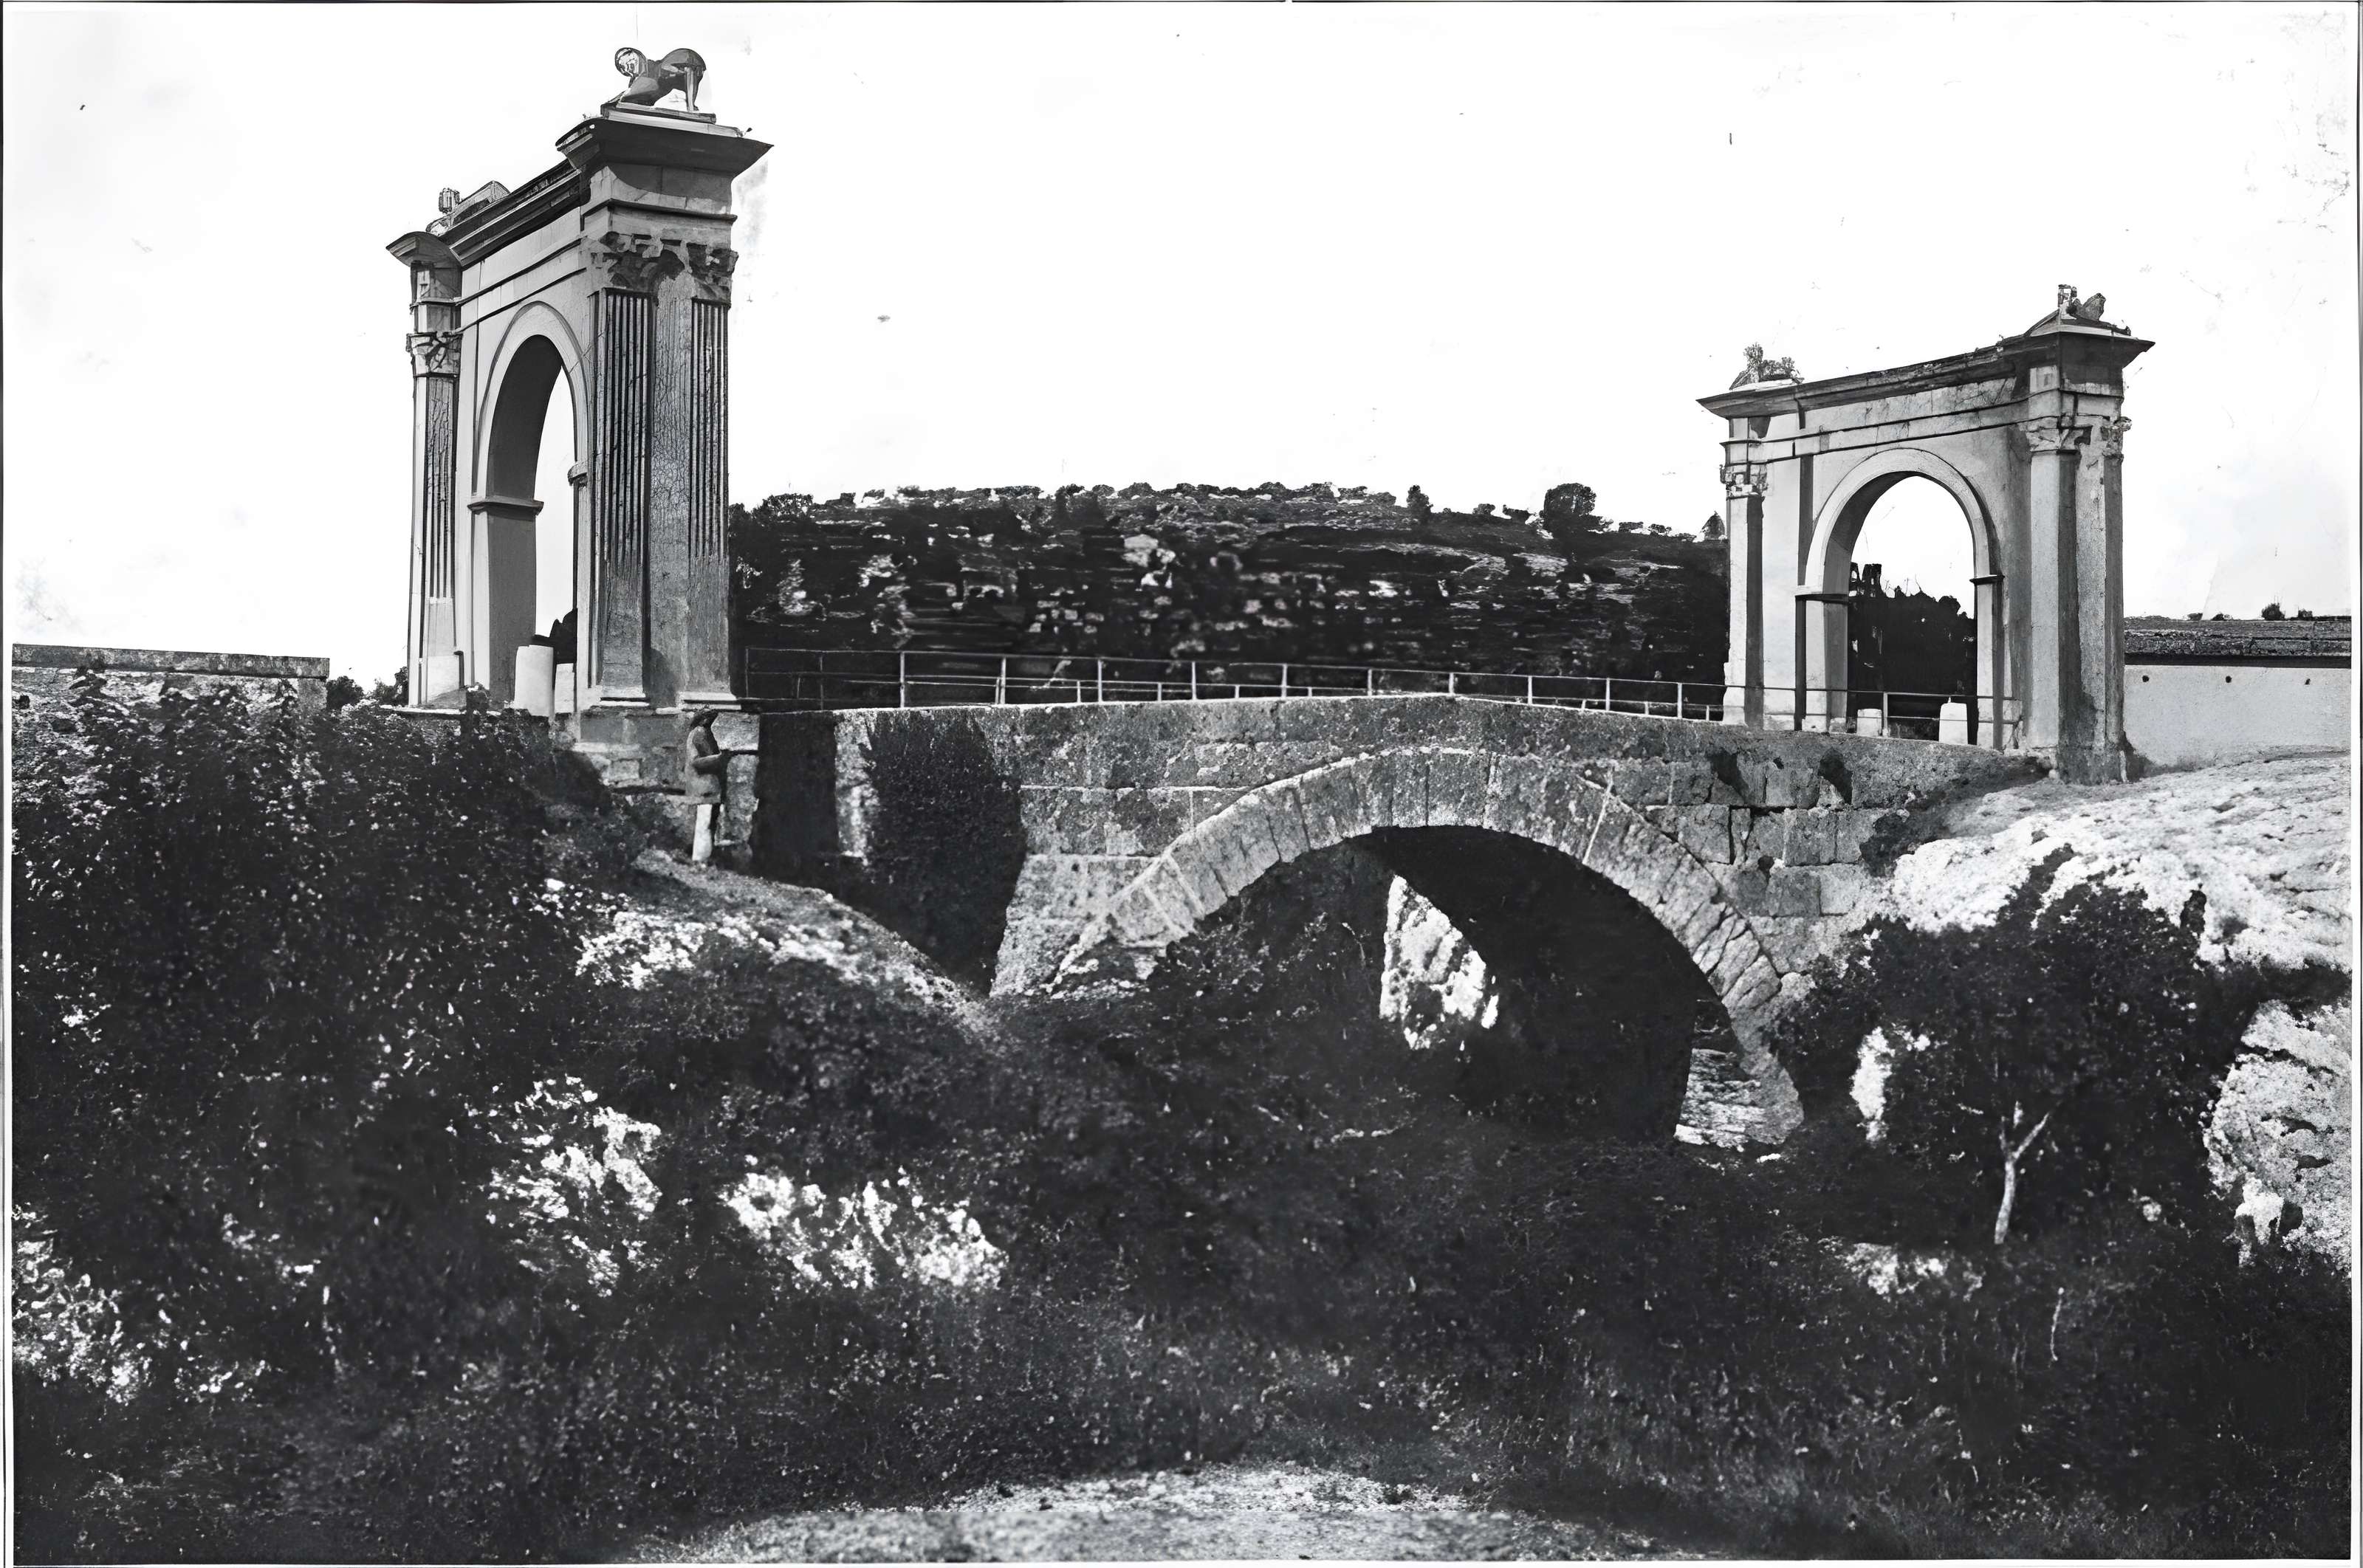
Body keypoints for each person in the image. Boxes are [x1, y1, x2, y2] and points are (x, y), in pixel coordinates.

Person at [682, 709, 730, 865]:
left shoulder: (697, 733)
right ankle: (701, 858)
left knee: (707, 821)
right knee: (706, 821)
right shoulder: (701, 733)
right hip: (705, 785)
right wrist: (722, 758)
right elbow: (700, 760)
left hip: (705, 785)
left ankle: (704, 857)